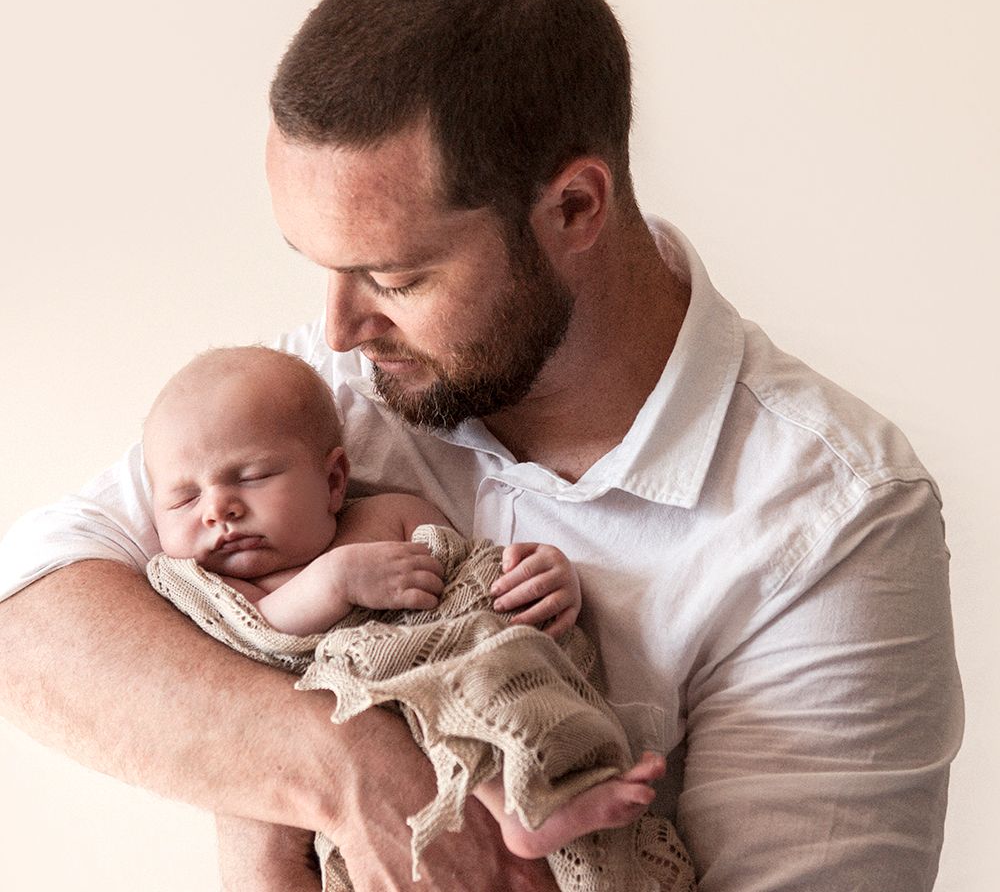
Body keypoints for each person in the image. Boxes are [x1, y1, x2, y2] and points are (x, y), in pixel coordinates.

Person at [0, 0, 962, 892]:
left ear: (575, 207)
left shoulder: (832, 511)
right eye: (321, 266)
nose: (336, 329)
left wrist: (240, 773)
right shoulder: (307, 401)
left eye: (396, 274)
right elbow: (27, 619)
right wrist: (351, 775)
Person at [141, 343, 675, 882]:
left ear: (332, 482)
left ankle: (551, 792)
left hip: (459, 671)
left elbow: (472, 589)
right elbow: (254, 634)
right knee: (433, 684)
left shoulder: (389, 515)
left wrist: (543, 574)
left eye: (252, 477)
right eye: (184, 500)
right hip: (365, 734)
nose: (217, 510)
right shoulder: (211, 583)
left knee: (495, 663)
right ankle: (523, 808)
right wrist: (334, 580)